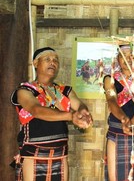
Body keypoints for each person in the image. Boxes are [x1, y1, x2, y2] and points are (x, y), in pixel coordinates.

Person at [10, 47, 93, 181]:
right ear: (36, 64)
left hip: (60, 154)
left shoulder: (64, 90)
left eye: (55, 60)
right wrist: (71, 116)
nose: (52, 63)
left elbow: (79, 104)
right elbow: (36, 110)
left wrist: (83, 112)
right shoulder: (24, 90)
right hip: (34, 153)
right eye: (47, 59)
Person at [103, 44, 134, 181]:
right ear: (117, 58)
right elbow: (111, 100)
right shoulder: (109, 79)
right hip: (117, 130)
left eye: (131, 56)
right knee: (115, 176)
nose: (127, 59)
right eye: (123, 56)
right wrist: (124, 119)